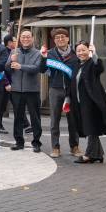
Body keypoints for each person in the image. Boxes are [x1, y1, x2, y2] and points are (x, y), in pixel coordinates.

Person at [71, 42, 106, 163]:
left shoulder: (92, 63)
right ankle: (98, 154)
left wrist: (94, 54)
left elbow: (99, 68)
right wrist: (68, 98)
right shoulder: (77, 65)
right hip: (80, 102)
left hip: (91, 102)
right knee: (91, 128)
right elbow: (72, 84)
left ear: (88, 50)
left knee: (90, 128)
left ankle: (89, 155)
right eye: (78, 51)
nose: (81, 53)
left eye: (83, 50)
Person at [40, 28, 82, 158]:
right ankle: (55, 147)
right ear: (54, 40)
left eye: (63, 37)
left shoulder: (76, 54)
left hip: (72, 90)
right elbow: (42, 70)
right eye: (57, 37)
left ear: (68, 38)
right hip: (55, 89)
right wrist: (43, 58)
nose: (60, 39)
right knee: (55, 120)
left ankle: (74, 146)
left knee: (73, 120)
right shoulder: (50, 54)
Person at [5, 30, 43, 153]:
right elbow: (7, 69)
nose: (25, 39)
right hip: (16, 89)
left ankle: (36, 142)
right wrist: (11, 61)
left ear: (32, 38)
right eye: (23, 37)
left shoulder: (38, 53)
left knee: (35, 117)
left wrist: (21, 66)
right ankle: (19, 141)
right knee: (18, 117)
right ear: (20, 39)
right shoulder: (14, 51)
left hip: (32, 90)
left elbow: (36, 68)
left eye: (28, 37)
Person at [0, 34, 16, 135]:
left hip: (13, 84)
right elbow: (3, 69)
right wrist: (6, 83)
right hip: (5, 84)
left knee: (15, 104)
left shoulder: (14, 52)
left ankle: (26, 125)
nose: (16, 42)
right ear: (9, 42)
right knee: (2, 106)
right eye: (14, 40)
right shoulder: (4, 52)